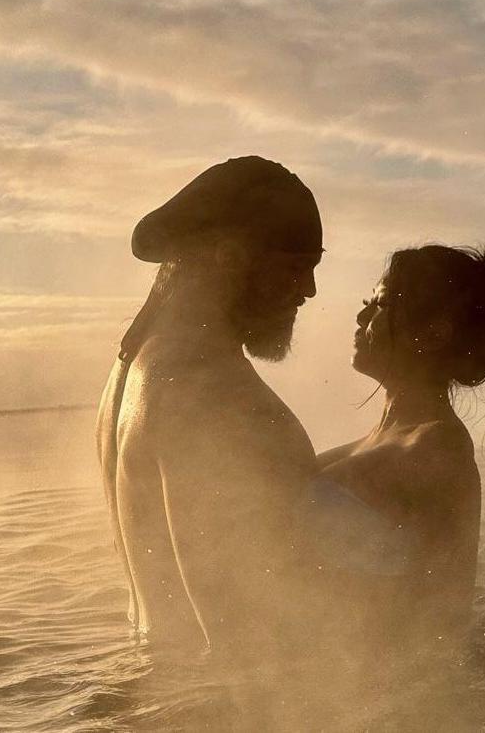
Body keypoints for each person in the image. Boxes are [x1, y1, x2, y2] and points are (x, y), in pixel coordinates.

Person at [96, 156, 327, 656]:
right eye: (297, 267)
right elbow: (247, 650)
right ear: (228, 256)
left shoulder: (128, 377)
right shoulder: (217, 401)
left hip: (156, 687)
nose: (308, 290)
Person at [316, 245, 485, 650]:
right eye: (366, 303)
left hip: (367, 687)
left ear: (433, 334)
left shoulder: (437, 447)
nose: (361, 316)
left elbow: (447, 613)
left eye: (380, 304)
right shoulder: (376, 444)